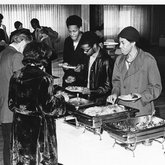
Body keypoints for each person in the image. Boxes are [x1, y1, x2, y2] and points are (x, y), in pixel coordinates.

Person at [8, 41, 67, 165]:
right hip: (39, 130)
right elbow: (49, 108)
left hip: (20, 128)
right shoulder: (44, 78)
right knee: (40, 160)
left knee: (22, 160)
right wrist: (62, 99)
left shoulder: (16, 75)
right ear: (43, 58)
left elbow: (11, 104)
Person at [107, 26, 162, 117]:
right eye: (120, 42)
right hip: (122, 109)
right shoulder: (119, 60)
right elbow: (116, 82)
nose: (120, 46)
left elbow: (156, 87)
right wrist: (114, 94)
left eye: (123, 43)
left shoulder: (147, 60)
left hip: (141, 110)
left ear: (133, 43)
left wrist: (140, 95)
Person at [0, 28, 32, 165]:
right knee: (15, 147)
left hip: (3, 107)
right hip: (13, 109)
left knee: (7, 145)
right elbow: (22, 84)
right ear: (20, 40)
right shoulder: (17, 56)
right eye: (27, 45)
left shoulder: (3, 53)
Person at [80, 31, 113, 103]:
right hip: (86, 99)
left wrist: (91, 92)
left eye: (87, 50)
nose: (84, 52)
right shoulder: (87, 57)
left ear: (95, 46)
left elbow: (108, 87)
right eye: (83, 50)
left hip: (99, 101)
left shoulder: (106, 60)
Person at [62, 15, 87, 87]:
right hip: (68, 78)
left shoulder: (86, 40)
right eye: (69, 31)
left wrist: (82, 67)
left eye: (74, 31)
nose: (72, 34)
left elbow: (91, 62)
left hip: (82, 79)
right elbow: (65, 59)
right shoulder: (67, 41)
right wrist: (65, 65)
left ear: (80, 28)